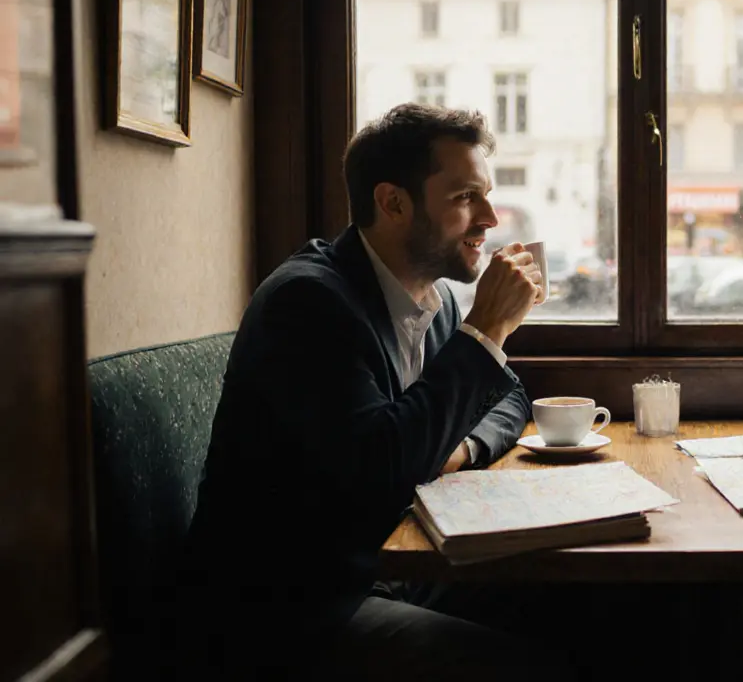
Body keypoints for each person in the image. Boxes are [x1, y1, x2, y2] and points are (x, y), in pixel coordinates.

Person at [178, 103, 549, 679]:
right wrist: (488, 330)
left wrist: (455, 449)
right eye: (464, 198)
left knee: (583, 606)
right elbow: (380, 471)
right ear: (393, 202)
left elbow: (509, 397)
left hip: (393, 567)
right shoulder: (308, 303)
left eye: (488, 195)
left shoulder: (438, 297)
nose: (491, 218)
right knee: (515, 663)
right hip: (294, 606)